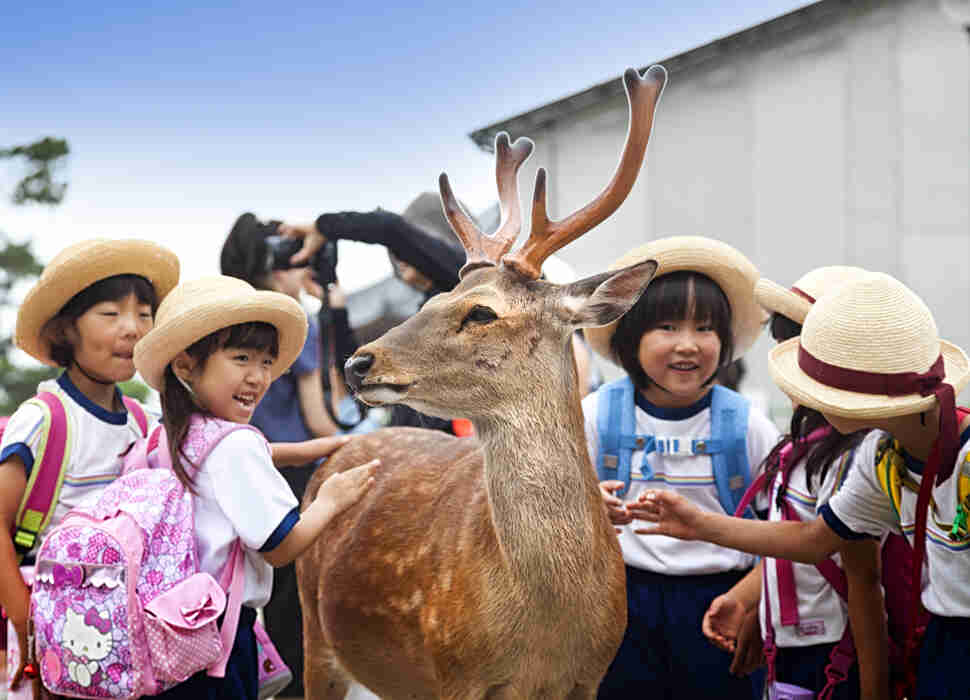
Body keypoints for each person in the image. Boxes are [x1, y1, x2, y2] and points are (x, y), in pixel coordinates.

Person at [636, 272, 970, 700]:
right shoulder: (881, 455)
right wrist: (698, 523)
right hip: (941, 643)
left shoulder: (954, 460)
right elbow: (817, 539)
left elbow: (855, 573)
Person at [132, 275, 378, 700]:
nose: (258, 377)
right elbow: (281, 546)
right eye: (241, 357)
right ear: (186, 364)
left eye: (266, 362)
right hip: (217, 646)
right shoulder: (235, 446)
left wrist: (306, 450)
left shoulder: (163, 436)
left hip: (164, 634)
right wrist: (332, 500)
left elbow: (224, 458)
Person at [580, 236, 780, 699]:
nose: (688, 345)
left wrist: (744, 599)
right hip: (619, 604)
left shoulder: (747, 424)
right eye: (667, 327)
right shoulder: (594, 415)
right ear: (630, 338)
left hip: (721, 607)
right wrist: (589, 511)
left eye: (705, 328)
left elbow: (783, 534)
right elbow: (554, 516)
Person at [0, 239, 180, 698]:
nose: (133, 329)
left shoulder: (145, 424)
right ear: (66, 330)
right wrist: (27, 626)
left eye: (144, 314)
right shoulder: (43, 419)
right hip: (49, 632)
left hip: (123, 636)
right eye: (110, 314)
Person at [703, 265, 885, 700]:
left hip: (836, 654)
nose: (788, 360)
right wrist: (749, 601)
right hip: (787, 650)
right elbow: (793, 547)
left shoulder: (857, 454)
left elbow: (860, 578)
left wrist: (875, 690)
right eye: (784, 344)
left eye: (800, 347)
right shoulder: (801, 445)